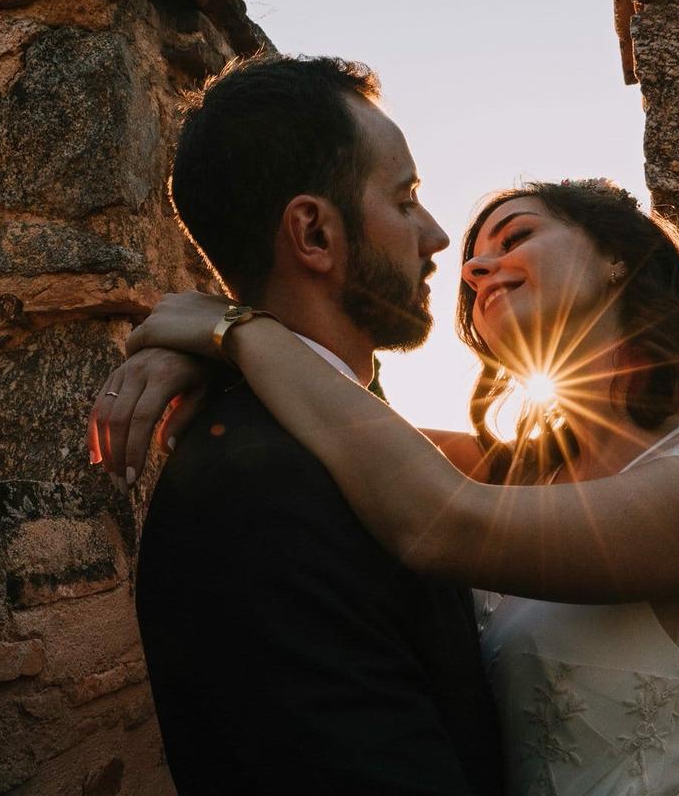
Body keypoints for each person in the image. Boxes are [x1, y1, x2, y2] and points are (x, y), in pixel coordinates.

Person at [94, 177, 679, 795]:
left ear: (621, 257)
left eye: (514, 235)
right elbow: (337, 417)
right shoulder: (507, 467)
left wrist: (233, 330)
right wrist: (213, 365)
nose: (477, 267)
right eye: (472, 261)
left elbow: (444, 524)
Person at [88, 54, 504, 795]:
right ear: (313, 233)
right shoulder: (260, 493)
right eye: (405, 198)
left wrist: (229, 343)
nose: (439, 236)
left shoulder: (332, 434)